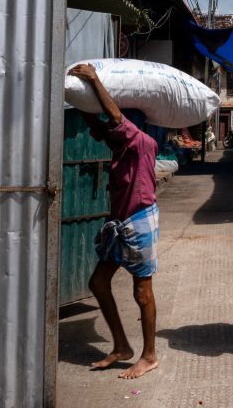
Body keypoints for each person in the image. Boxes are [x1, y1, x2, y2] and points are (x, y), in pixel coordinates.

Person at [68, 63, 161, 380]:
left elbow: (115, 120)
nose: (110, 129)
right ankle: (122, 346)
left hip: (139, 222)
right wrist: (76, 96)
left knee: (142, 292)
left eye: (116, 124)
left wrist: (94, 79)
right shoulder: (120, 145)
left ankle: (149, 356)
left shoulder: (142, 143)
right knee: (97, 282)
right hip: (119, 223)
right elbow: (98, 122)